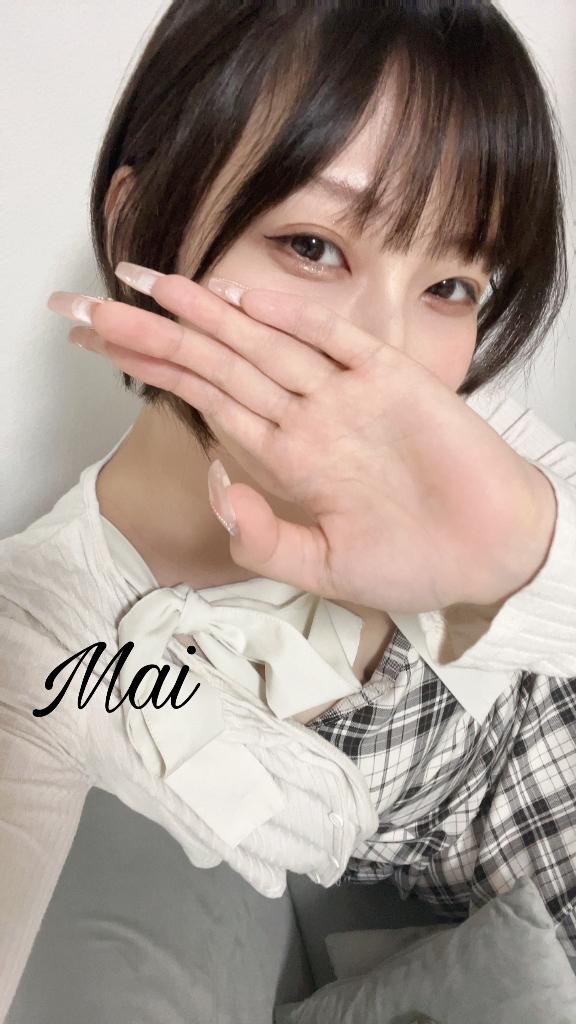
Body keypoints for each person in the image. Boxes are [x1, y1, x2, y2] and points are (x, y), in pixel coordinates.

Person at [1, 0, 575, 1018]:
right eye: (313, 245)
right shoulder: (46, 632)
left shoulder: (469, 446)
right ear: (139, 221)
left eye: (450, 285)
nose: (389, 359)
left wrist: (521, 551)